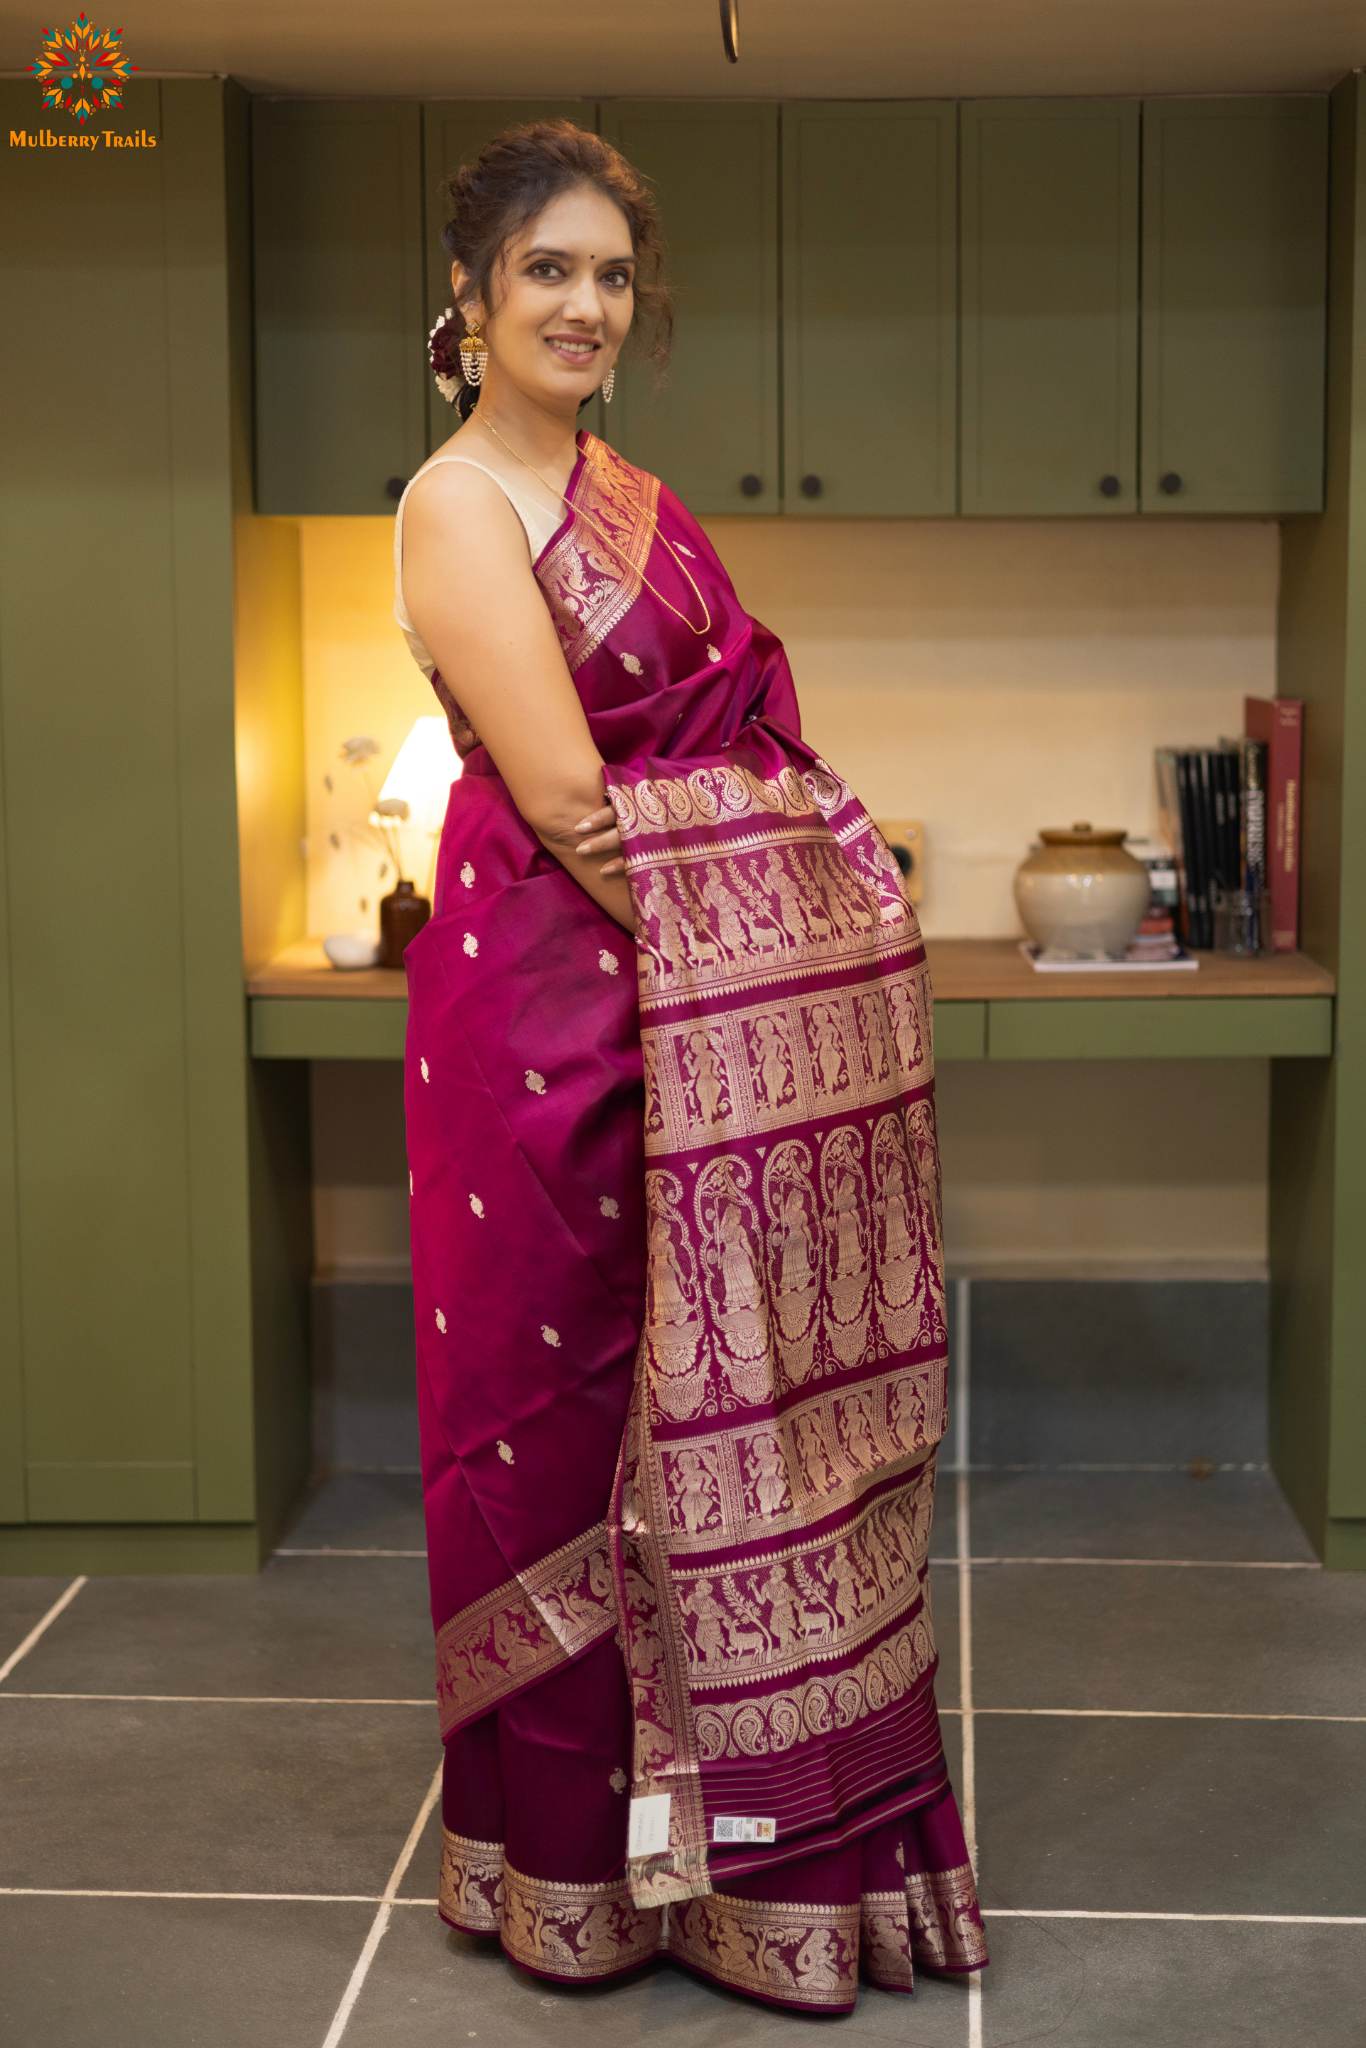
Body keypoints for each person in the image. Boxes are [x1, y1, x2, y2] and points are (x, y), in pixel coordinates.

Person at [394, 119, 987, 2014]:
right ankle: (575, 1870)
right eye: (546, 272)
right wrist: (782, 926)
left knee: (741, 1426)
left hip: (702, 1027)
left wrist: (809, 895)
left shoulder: (637, 497)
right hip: (552, 1032)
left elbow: (748, 728)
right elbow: (569, 796)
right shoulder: (456, 506)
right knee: (562, 1445)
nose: (583, 305)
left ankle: (744, 1868)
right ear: (473, 299)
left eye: (611, 276)